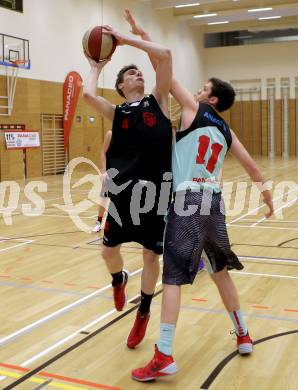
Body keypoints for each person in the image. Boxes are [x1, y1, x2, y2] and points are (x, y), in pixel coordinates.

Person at [123, 11, 274, 381]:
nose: (197, 91)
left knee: (172, 279)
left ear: (212, 99)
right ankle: (243, 333)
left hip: (187, 201)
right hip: (214, 203)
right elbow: (254, 170)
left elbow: (163, 63)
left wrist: (138, 36)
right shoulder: (226, 131)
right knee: (220, 273)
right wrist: (268, 198)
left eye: (203, 88)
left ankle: (164, 355)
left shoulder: (194, 109)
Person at [83, 25, 173, 349]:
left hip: (155, 193)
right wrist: (96, 66)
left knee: (151, 256)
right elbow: (87, 95)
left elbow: (165, 56)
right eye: (131, 73)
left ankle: (144, 312)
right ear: (121, 86)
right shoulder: (117, 112)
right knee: (108, 252)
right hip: (123, 195)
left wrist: (127, 39)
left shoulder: (159, 101)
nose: (138, 74)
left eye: (139, 72)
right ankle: (118, 279)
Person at [92, 131, 112, 233]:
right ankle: (99, 222)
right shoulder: (110, 133)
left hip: (125, 171)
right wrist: (104, 171)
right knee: (104, 197)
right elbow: (103, 152)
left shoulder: (131, 134)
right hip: (110, 171)